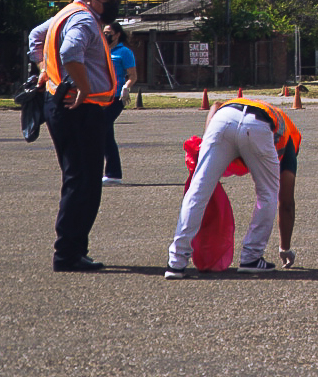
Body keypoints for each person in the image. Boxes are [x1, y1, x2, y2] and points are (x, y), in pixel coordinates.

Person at [27, 0, 122, 272]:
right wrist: (82, 86)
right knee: (84, 183)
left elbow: (35, 36)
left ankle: (74, 250)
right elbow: (70, 52)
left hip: (62, 105)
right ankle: (68, 254)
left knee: (78, 178)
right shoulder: (83, 20)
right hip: (80, 109)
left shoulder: (67, 13)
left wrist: (44, 69)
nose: (114, 4)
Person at [165, 93, 302, 277]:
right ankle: (251, 257)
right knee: (267, 193)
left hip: (223, 118)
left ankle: (176, 262)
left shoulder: (262, 108)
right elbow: (286, 203)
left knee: (198, 190)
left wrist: (205, 146)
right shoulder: (290, 140)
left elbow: (215, 105)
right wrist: (285, 248)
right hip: (258, 125)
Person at [101, 20, 137, 184]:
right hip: (101, 96)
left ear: (117, 35)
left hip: (116, 97)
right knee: (106, 134)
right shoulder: (101, 50)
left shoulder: (124, 52)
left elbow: (133, 76)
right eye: (104, 32)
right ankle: (113, 174)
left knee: (101, 128)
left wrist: (126, 87)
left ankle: (111, 172)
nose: (105, 35)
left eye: (108, 33)